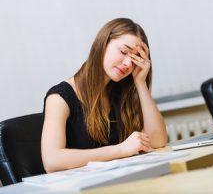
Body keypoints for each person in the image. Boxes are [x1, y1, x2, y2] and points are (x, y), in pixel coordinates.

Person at [41, 18, 167, 173]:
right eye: (123, 52)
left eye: (135, 59)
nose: (128, 63)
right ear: (102, 44)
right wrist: (120, 150)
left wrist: (140, 83)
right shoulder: (59, 97)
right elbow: (52, 161)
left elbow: (157, 141)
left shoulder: (119, 92)